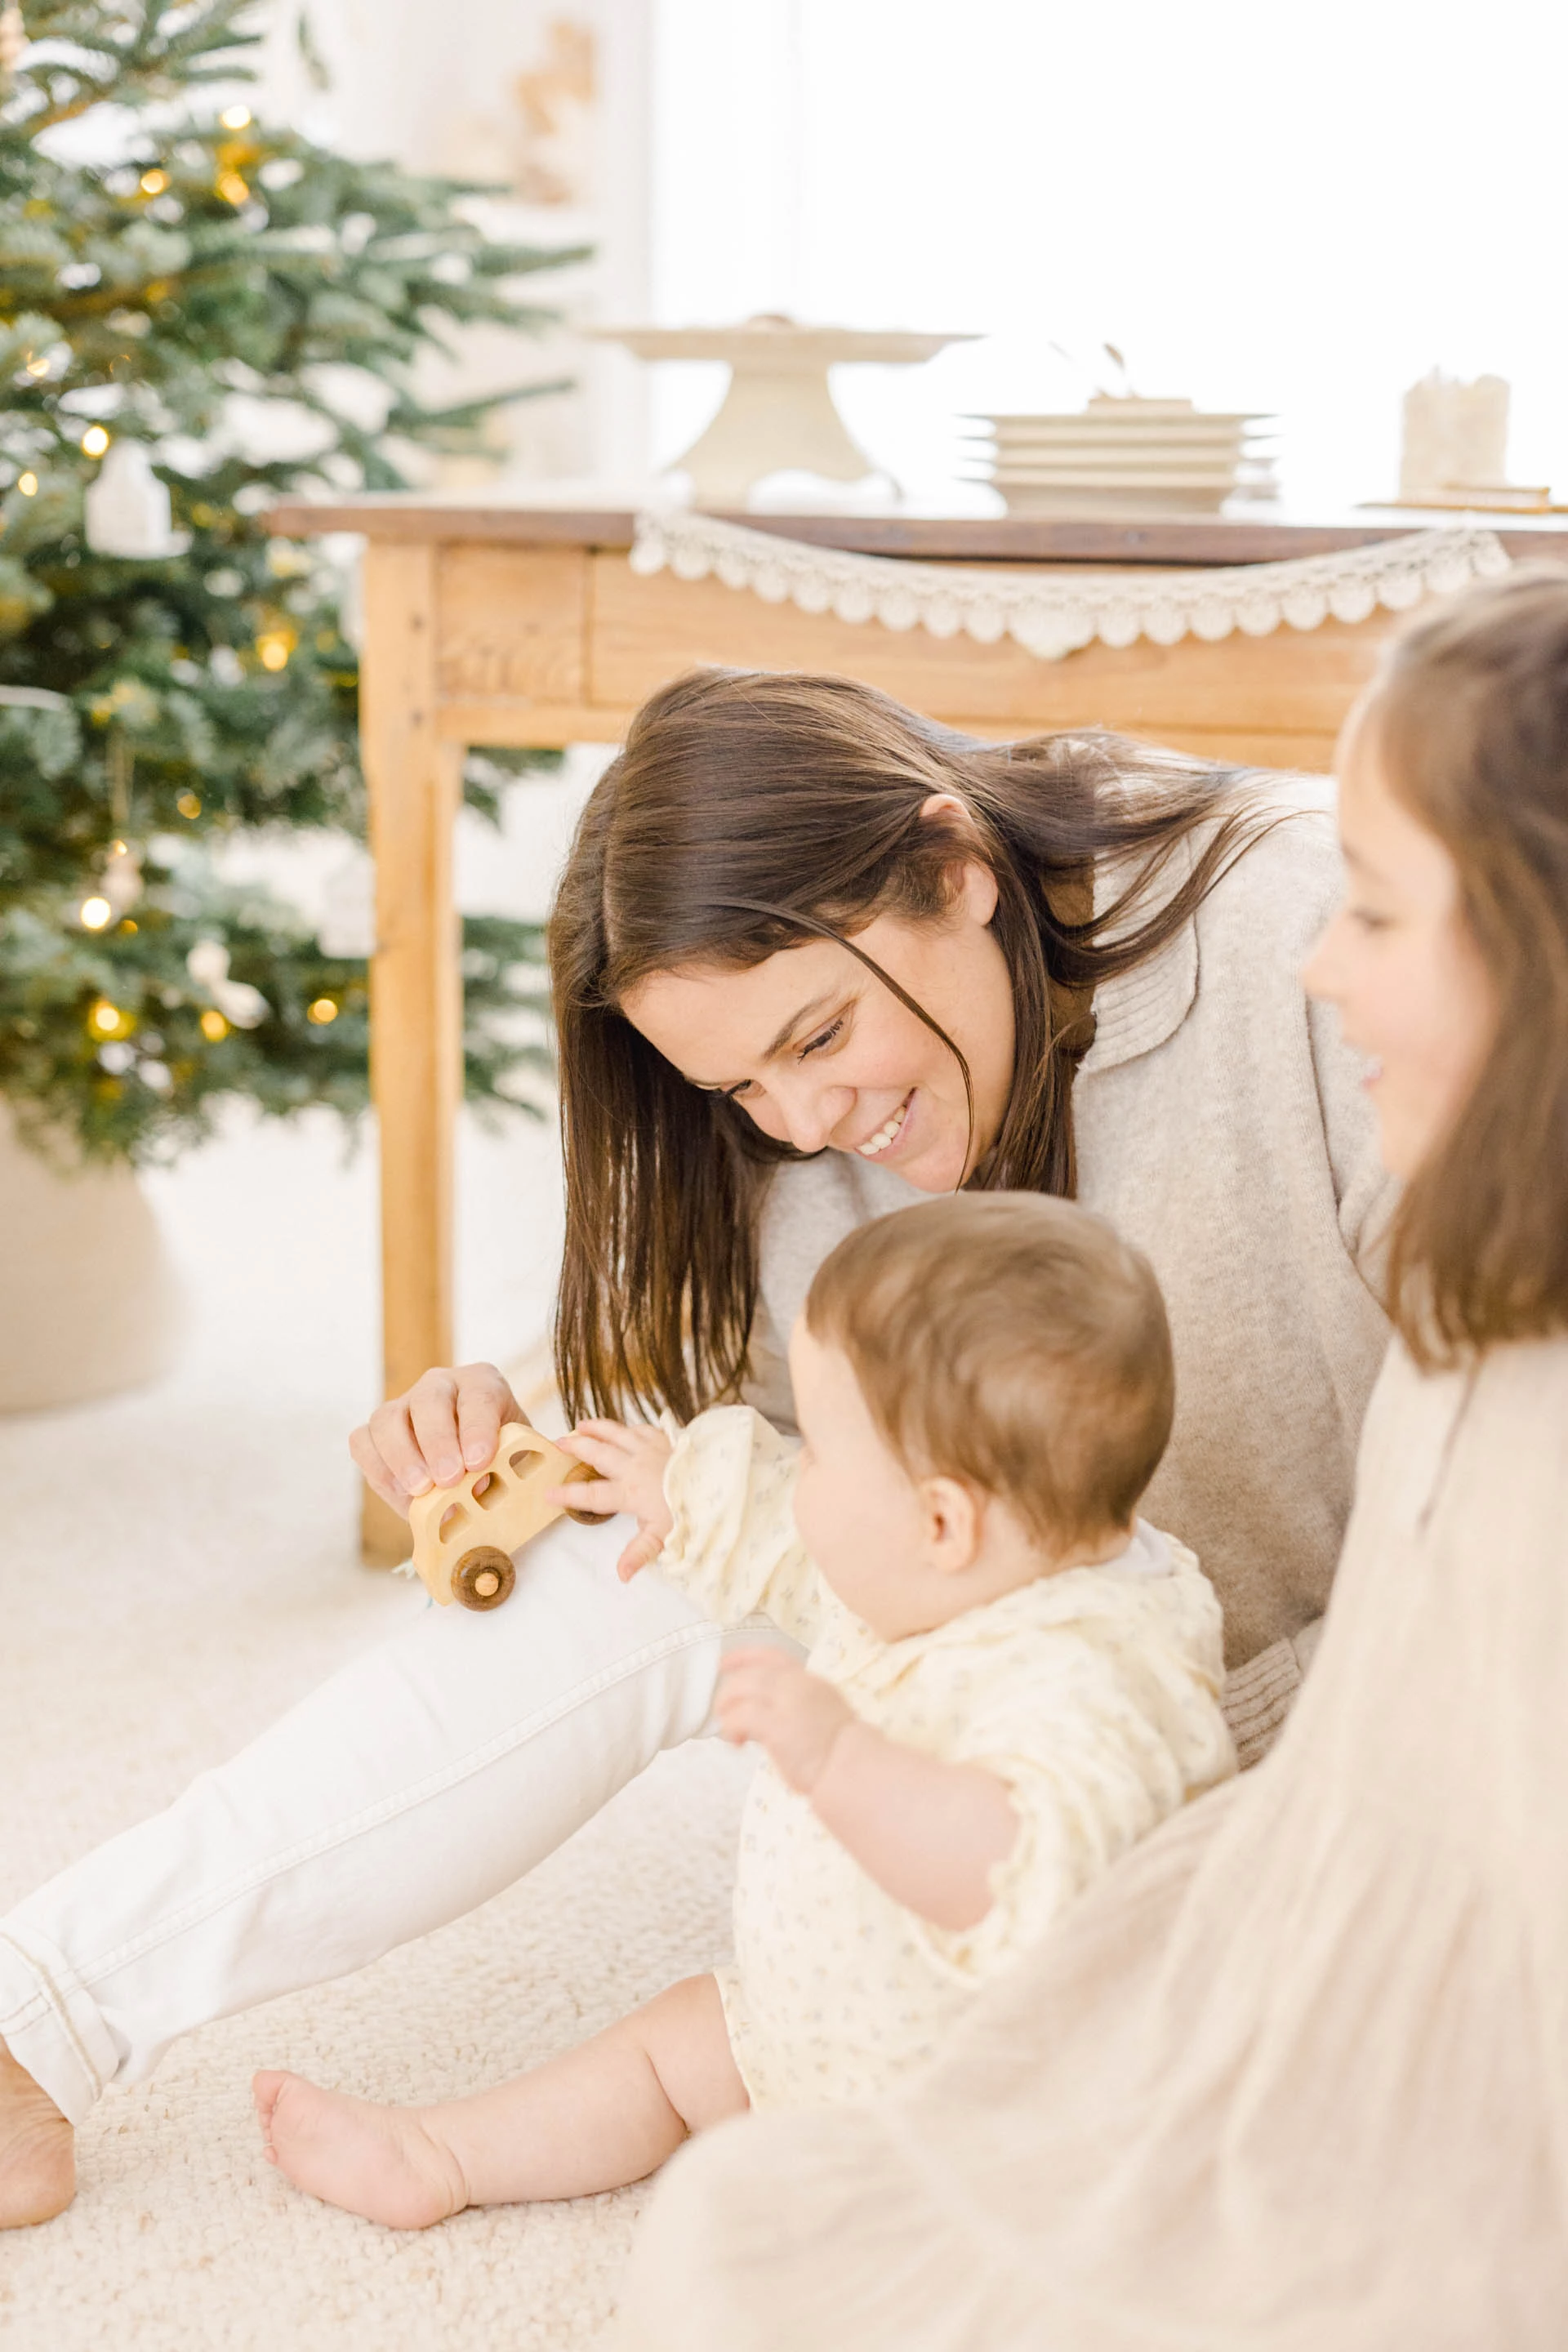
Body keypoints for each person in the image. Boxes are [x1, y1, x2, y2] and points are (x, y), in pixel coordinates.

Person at [0, 667, 1392, 2230]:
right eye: (739, 1085)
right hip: (971, 1681)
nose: (804, 1118)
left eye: (819, 1031)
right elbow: (722, 1415)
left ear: (954, 869)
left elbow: (1515, 1468)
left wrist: (1282, 1760)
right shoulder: (784, 1121)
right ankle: (31, 2023)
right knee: (647, 1524)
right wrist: (515, 1429)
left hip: (1315, 1720)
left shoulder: (1305, 935)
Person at [613, 567, 1568, 2350]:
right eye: (749, 1089)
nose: (1320, 963)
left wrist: (1144, 1767)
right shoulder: (817, 1133)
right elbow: (733, 1423)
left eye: (1376, 911)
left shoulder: (1358, 1121)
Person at [251, 1195, 1233, 2227]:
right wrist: (688, 1493)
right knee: (673, 2047)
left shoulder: (1094, 1676)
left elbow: (1026, 1875)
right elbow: (799, 1555)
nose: (794, 1469)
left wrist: (843, 1757)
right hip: (817, 2026)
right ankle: (440, 2156)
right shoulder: (959, 1564)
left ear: (943, 1520)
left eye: (816, 1453)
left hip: (980, 2111)